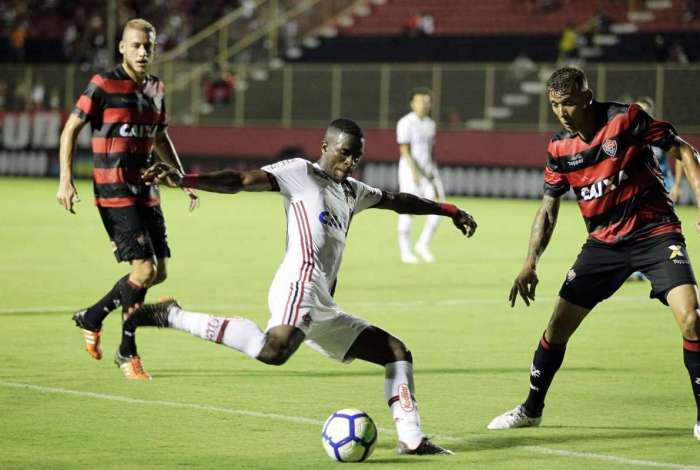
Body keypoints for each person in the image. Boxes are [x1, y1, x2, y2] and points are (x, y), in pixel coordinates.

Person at [131, 118, 477, 455]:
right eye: (343, 153)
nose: (350, 162)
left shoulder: (352, 191)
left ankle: (412, 439)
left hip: (322, 301)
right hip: (300, 281)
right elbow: (239, 179)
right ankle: (172, 315)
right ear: (324, 147)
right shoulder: (300, 172)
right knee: (275, 351)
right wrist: (184, 179)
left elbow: (399, 200)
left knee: (396, 352)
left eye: (356, 156)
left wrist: (448, 210)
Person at [487, 67, 700, 441]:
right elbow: (548, 209)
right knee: (556, 327)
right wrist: (530, 262)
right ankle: (531, 409)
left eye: (568, 103)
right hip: (603, 245)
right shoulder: (559, 149)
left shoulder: (625, 119)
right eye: (554, 105)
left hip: (655, 233)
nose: (561, 113)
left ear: (586, 98)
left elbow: (683, 149)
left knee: (692, 319)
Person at [56, 18, 199, 380]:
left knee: (158, 274)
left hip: (147, 190)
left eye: (147, 46)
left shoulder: (156, 88)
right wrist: (66, 179)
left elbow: (160, 137)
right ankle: (127, 352)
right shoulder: (103, 84)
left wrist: (182, 178)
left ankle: (92, 316)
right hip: (114, 190)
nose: (142, 52)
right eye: (135, 45)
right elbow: (72, 127)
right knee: (145, 270)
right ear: (122, 47)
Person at [628, 96, 685, 281]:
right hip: (644, 192)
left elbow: (681, 158)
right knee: (638, 227)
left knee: (662, 229)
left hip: (664, 189)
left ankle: (671, 263)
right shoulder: (631, 134)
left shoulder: (657, 133)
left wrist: (676, 185)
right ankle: (639, 269)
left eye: (643, 110)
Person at [396, 88, 445, 263]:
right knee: (407, 210)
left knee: (440, 207)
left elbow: (431, 151)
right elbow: (405, 150)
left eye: (427, 101)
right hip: (411, 172)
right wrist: (414, 172)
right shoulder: (405, 123)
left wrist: (432, 172)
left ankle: (423, 244)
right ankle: (405, 251)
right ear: (412, 103)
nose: (424, 104)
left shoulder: (430, 124)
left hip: (429, 171)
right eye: (420, 101)